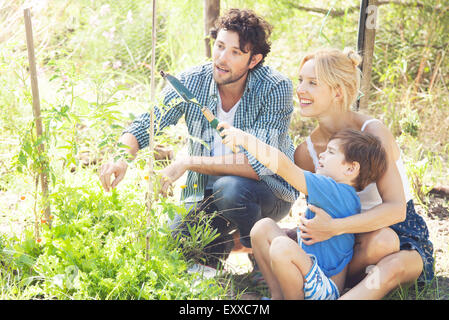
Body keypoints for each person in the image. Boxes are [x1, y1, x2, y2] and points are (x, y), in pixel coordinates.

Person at [98, 9, 299, 267]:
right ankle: (223, 245)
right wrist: (120, 158)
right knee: (174, 244)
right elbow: (146, 123)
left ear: (254, 59)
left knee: (230, 188)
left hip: (268, 191)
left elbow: (261, 163)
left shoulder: (275, 87)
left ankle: (263, 267)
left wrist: (188, 162)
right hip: (207, 192)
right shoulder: (192, 81)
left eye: (235, 52)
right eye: (220, 46)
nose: (221, 58)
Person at [282, 47, 434, 299]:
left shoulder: (373, 133)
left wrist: (334, 227)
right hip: (340, 241)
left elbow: (396, 209)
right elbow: (319, 212)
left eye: (312, 82)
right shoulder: (305, 153)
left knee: (386, 248)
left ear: (338, 92)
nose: (300, 89)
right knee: (270, 235)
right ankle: (327, 283)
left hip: (394, 231)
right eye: (300, 80)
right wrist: (327, 230)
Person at [218, 124, 388, 299]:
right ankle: (278, 297)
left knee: (281, 247)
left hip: (324, 288)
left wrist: (246, 140)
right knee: (263, 227)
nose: (321, 154)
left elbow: (285, 167)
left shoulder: (336, 191)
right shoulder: (337, 192)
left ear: (350, 169)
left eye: (330, 152)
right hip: (308, 273)